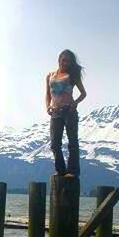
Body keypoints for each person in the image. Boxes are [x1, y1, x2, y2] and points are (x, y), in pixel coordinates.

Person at [45, 49, 87, 177]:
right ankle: (60, 170)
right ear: (59, 59)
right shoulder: (49, 76)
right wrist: (48, 107)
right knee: (54, 143)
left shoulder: (72, 76)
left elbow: (83, 93)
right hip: (55, 113)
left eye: (68, 62)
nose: (65, 63)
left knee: (72, 141)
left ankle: (73, 171)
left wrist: (75, 103)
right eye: (63, 60)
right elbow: (47, 94)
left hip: (69, 111)